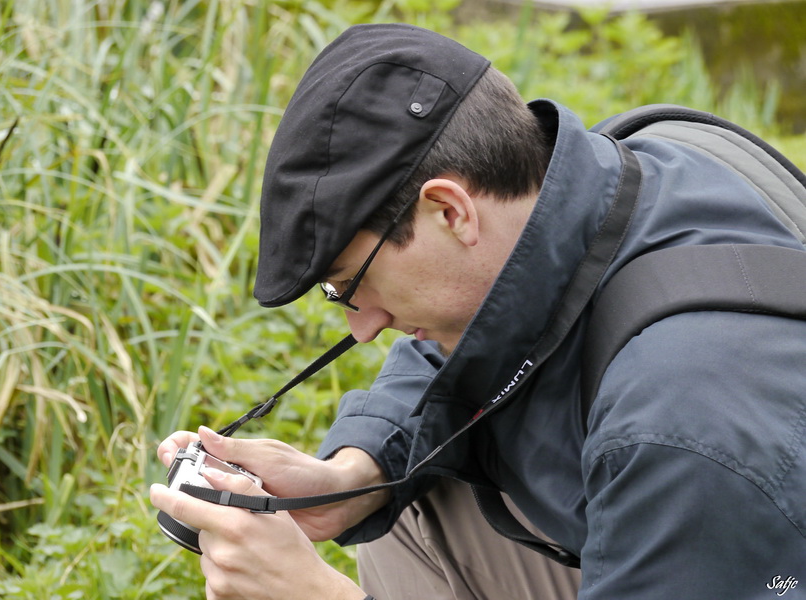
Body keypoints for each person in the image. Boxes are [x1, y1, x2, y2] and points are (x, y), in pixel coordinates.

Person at [149, 23, 806, 600]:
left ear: (451, 211)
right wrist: (350, 477)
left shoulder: (682, 419)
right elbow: (491, 329)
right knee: (414, 498)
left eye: (354, 284)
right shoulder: (601, 180)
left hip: (735, 523)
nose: (363, 324)